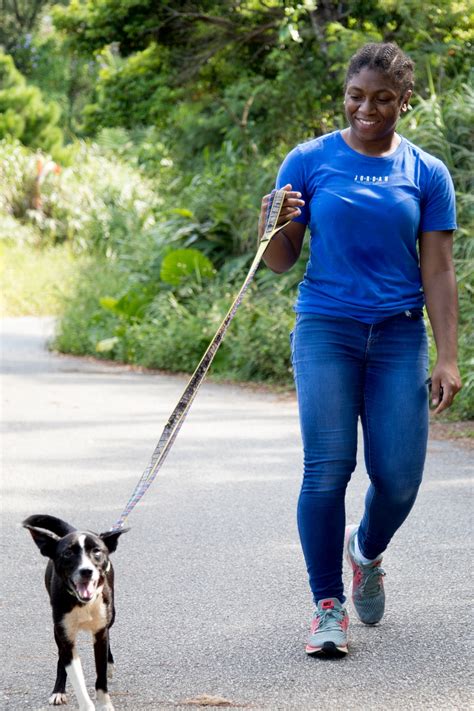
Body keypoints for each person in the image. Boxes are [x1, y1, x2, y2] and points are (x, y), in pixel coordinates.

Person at [258, 42, 462, 658]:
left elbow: (440, 272)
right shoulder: (309, 159)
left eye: (381, 99)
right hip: (327, 328)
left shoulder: (426, 173)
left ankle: (365, 551)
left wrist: (449, 355)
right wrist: (271, 220)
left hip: (400, 333)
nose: (365, 109)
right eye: (356, 96)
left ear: (405, 101)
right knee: (327, 469)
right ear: (344, 94)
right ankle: (327, 606)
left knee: (398, 480)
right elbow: (279, 261)